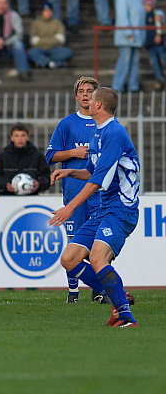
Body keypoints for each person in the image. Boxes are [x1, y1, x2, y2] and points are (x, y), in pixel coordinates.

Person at [51, 87, 140, 327]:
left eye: (91, 98)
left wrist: (70, 208)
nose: (87, 100)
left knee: (98, 257)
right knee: (69, 259)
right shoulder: (97, 133)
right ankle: (117, 296)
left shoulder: (115, 132)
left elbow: (98, 180)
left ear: (99, 105)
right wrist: (70, 171)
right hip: (104, 209)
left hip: (121, 209)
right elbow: (92, 171)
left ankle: (126, 317)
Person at [46, 76, 102, 303]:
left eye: (90, 91)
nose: (86, 95)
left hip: (100, 193)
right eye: (82, 91)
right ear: (76, 96)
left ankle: (99, 290)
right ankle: (73, 292)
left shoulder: (105, 124)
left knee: (100, 243)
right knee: (74, 242)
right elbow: (50, 156)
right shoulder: (67, 124)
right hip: (74, 192)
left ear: (97, 96)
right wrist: (73, 153)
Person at [0, 122, 51, 195]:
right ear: (11, 138)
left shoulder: (37, 156)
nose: (20, 139)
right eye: (16, 135)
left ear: (27, 137)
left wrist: (39, 183)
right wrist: (5, 185)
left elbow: (46, 177)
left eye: (23, 135)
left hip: (31, 198)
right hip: (7, 197)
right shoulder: (3, 156)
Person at [112, 0, 145, 92]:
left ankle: (133, 86)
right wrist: (128, 33)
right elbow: (122, 17)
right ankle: (117, 86)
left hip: (138, 36)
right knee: (124, 61)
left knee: (135, 62)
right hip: (126, 36)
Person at [28, 1, 74, 69]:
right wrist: (53, 40)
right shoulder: (36, 23)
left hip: (55, 49)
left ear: (52, 12)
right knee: (31, 52)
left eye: (49, 11)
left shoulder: (57, 23)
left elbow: (61, 39)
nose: (48, 13)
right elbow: (33, 41)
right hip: (40, 49)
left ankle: (44, 62)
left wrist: (41, 41)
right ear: (42, 12)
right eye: (46, 11)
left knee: (68, 52)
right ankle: (55, 63)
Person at [144, 0, 166, 90]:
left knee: (163, 58)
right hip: (149, 43)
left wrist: (158, 34)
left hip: (158, 43)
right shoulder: (145, 15)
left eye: (148, 4)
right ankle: (159, 79)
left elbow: (159, 24)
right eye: (145, 4)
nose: (146, 6)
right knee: (154, 62)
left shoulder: (157, 13)